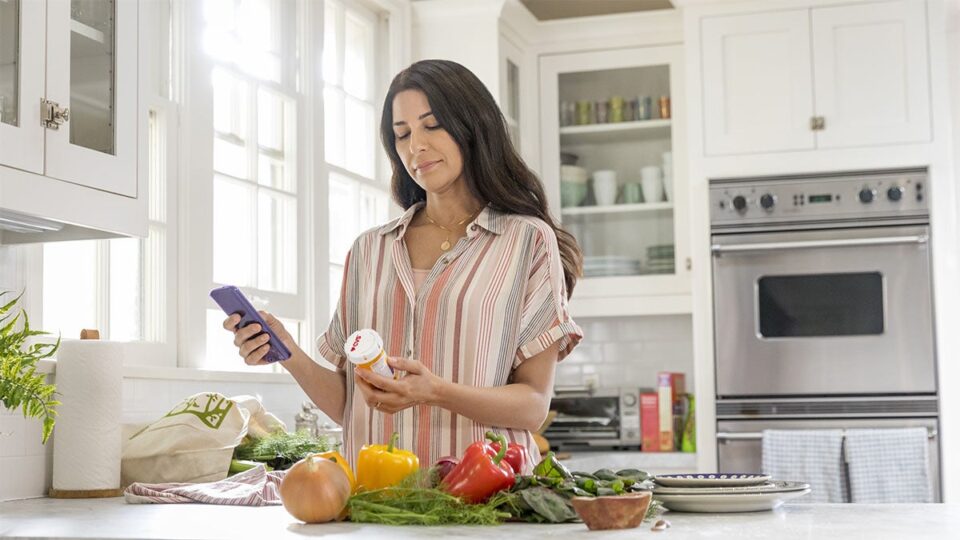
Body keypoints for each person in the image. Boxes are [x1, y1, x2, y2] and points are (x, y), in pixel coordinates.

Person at [224, 59, 583, 473]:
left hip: (486, 497)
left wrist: (435, 391)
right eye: (403, 134)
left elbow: (533, 407)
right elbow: (351, 406)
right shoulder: (369, 251)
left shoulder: (526, 241)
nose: (416, 146)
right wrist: (286, 350)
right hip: (379, 497)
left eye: (432, 126)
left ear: (473, 127)